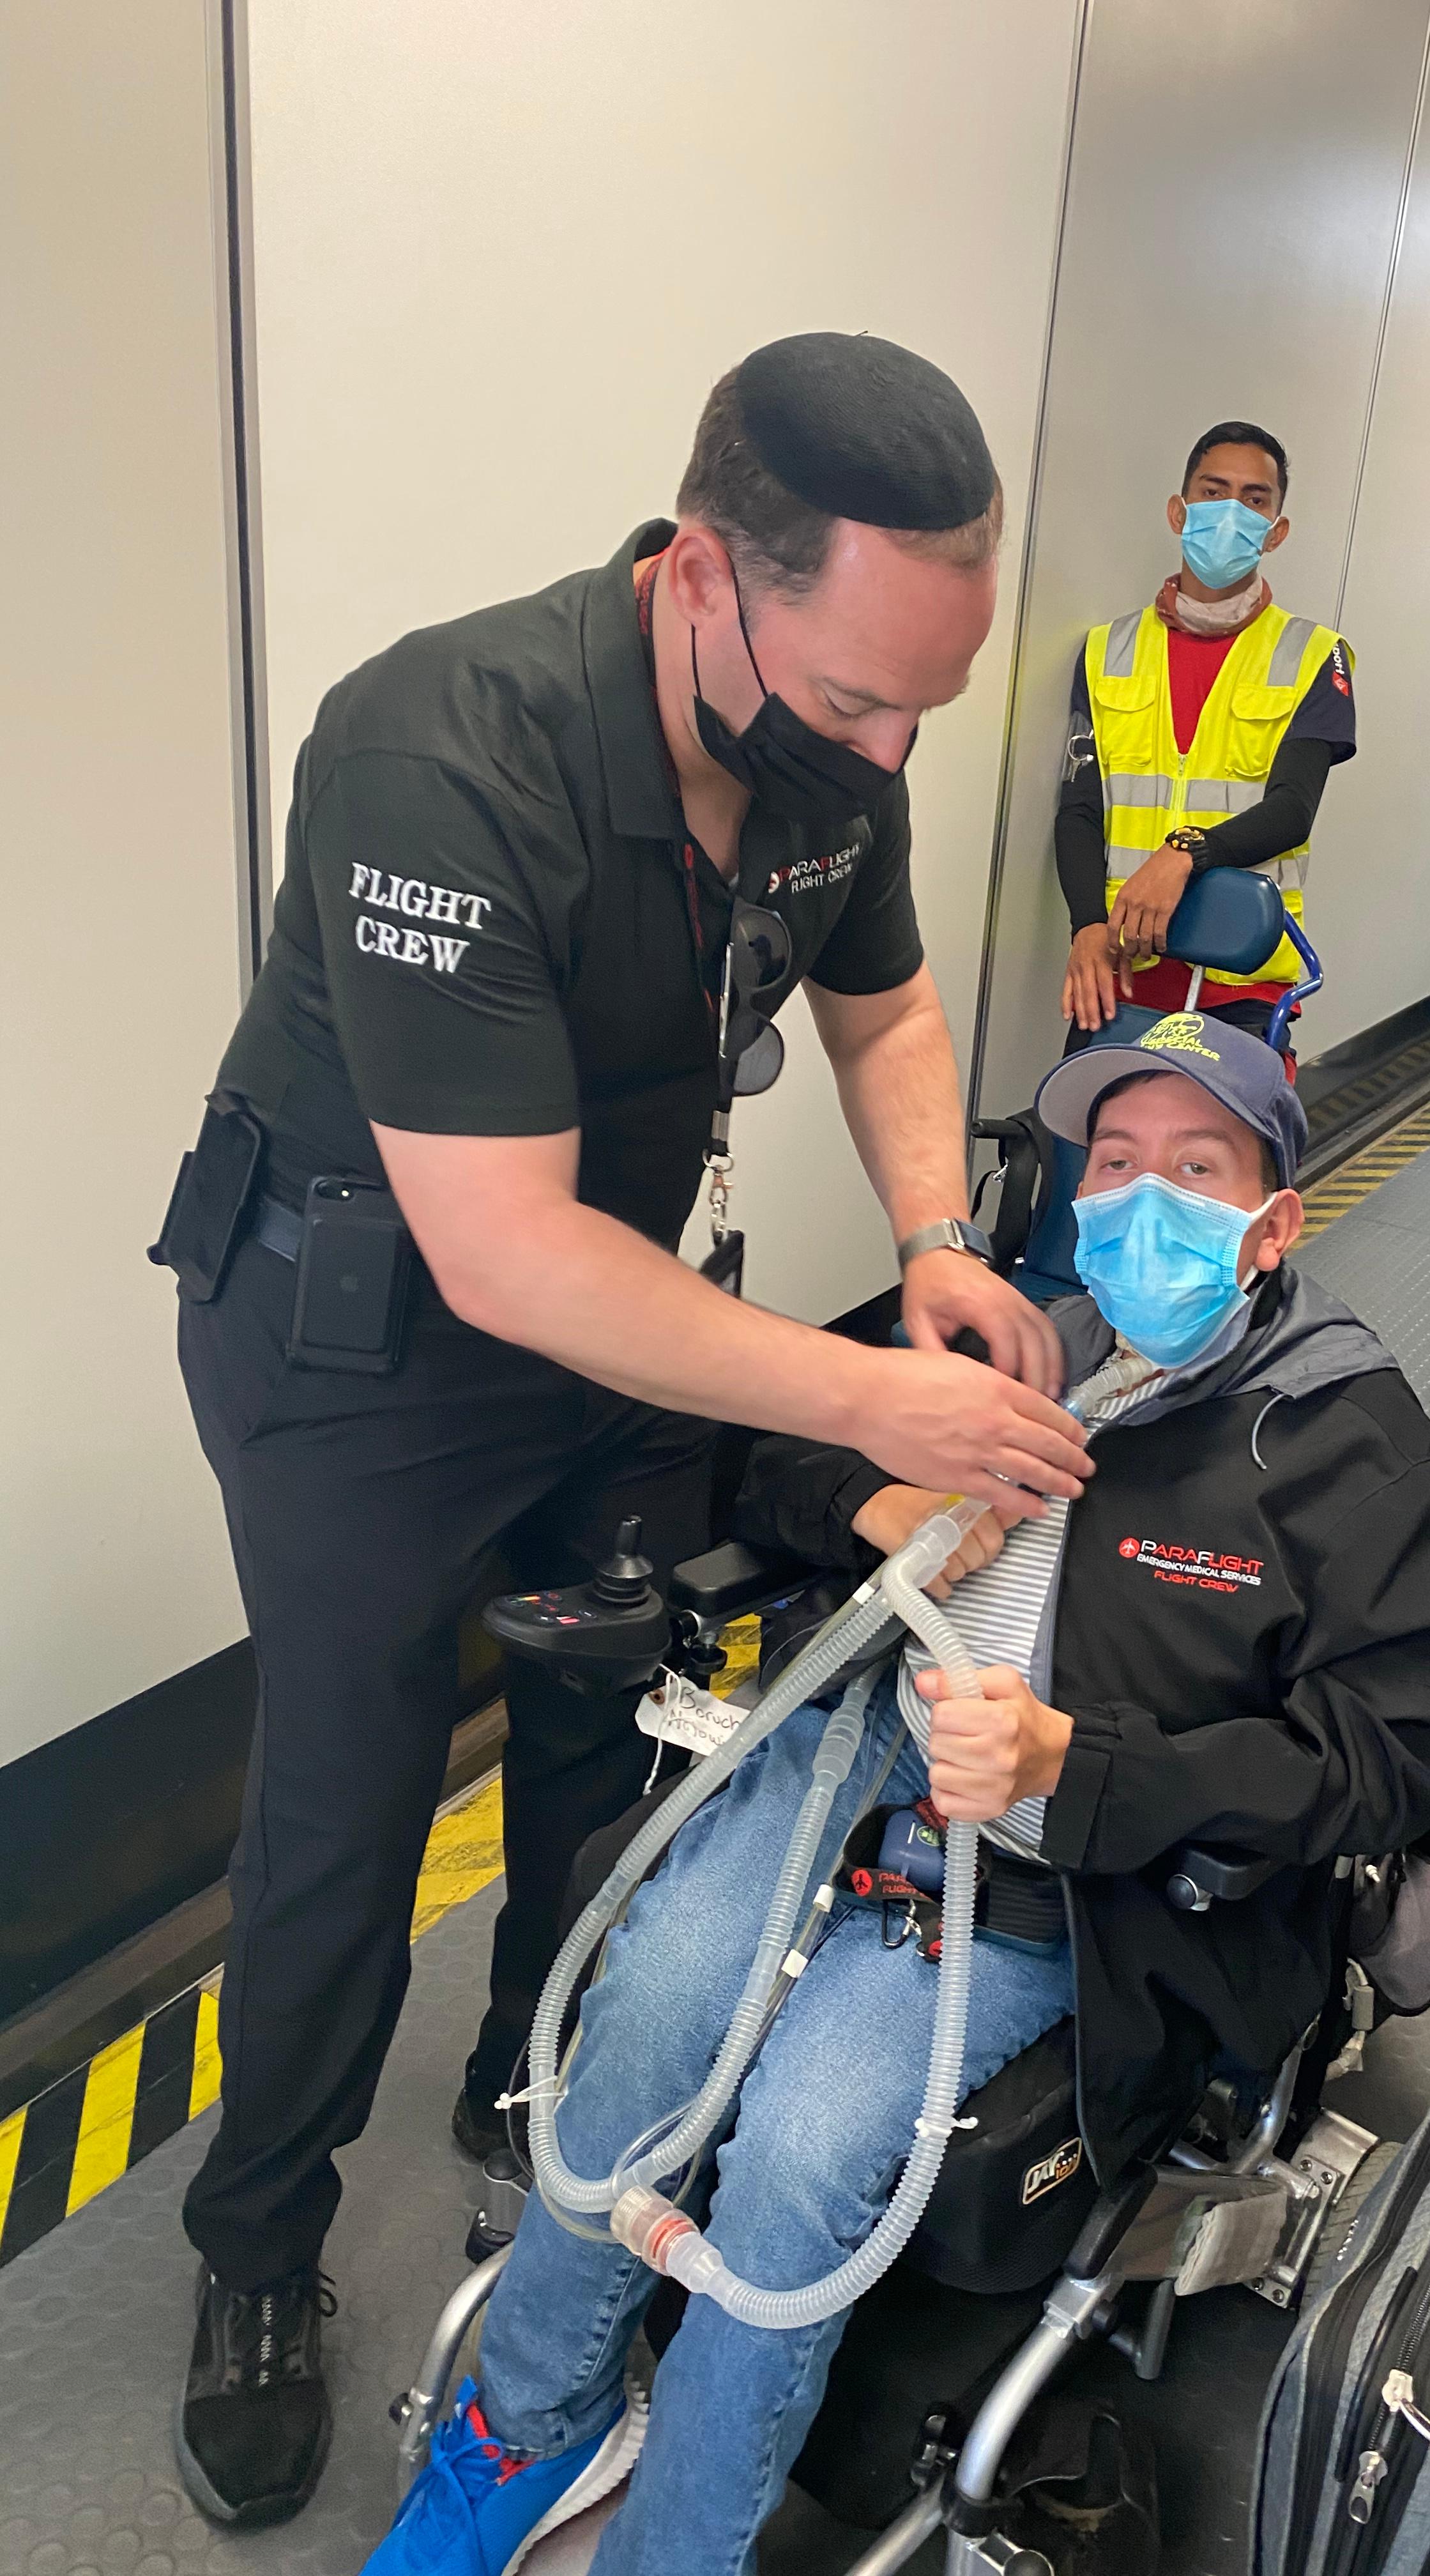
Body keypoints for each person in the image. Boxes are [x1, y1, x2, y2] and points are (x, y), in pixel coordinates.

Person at [156, 332, 1100, 2528]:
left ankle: (539, 2090)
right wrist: (879, 1388)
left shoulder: (828, 739)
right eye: (859, 702)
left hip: (613, 1315)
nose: (883, 756)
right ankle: (259, 2252)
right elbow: (495, 1252)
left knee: (625, 1710)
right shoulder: (435, 751)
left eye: (919, 717)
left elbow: (878, 997)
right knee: (348, 1802)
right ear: (703, 573)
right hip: (362, 1341)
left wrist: (939, 1229)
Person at [363, 1013, 1430, 2576]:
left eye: (1196, 1168)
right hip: (866, 1758)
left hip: (1067, 1860)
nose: (1142, 1202)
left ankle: (679, 2547)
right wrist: (883, 1490)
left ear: (1274, 1220)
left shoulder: (1341, 1445)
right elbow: (772, 1466)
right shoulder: (1027, 1337)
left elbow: (1423, 1740)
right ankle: (529, 2417)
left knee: (803, 2147)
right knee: (644, 2006)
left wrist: (1074, 1764)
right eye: (1114, 1166)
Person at [1056, 422, 1356, 1043]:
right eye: (1214, 492)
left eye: (1254, 500)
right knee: (1084, 1137)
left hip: (1241, 982)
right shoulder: (1106, 650)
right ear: (1179, 511)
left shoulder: (1314, 657)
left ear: (1276, 531)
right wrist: (1085, 925)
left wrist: (1185, 852)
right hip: (1122, 972)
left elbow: (1292, 811)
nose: (1231, 513)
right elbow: (1081, 807)